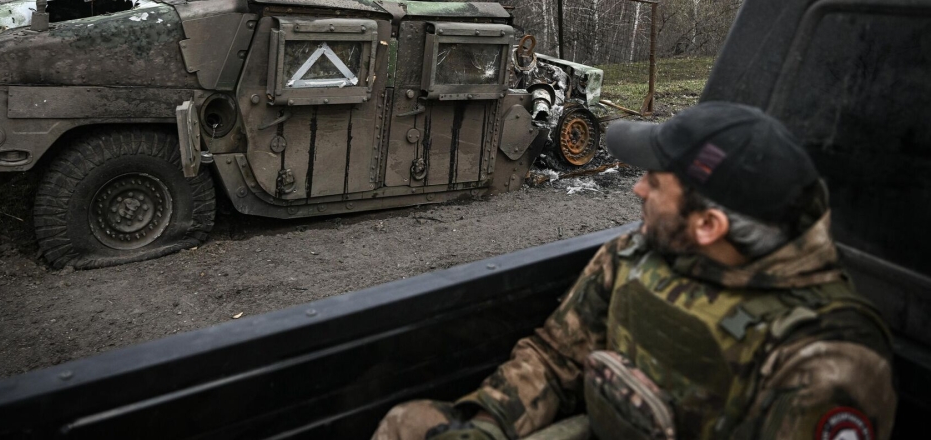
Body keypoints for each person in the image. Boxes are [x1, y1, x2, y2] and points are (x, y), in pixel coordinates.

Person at [373, 102, 895, 440]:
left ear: (709, 224)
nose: (637, 189)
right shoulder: (639, 253)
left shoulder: (825, 360)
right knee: (408, 426)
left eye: (655, 181)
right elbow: (556, 358)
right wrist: (488, 423)